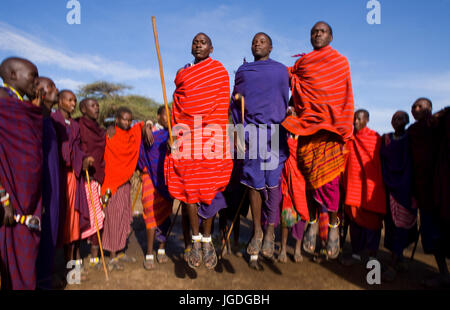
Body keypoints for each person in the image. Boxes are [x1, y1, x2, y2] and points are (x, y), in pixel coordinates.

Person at [281, 22, 354, 259]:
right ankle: (312, 221)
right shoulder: (303, 64)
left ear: (331, 36)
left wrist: (342, 123)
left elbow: (343, 93)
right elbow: (295, 87)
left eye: (322, 31)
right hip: (307, 131)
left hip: (331, 131)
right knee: (308, 180)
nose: (317, 34)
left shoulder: (340, 62)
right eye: (313, 31)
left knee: (331, 182)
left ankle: (333, 227)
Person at [164, 33, 233, 269]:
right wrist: (174, 133)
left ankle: (207, 240)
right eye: (195, 41)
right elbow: (177, 107)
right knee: (188, 189)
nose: (198, 44)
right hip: (187, 138)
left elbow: (223, 104)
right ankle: (195, 240)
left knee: (211, 189)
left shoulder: (219, 72)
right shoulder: (183, 75)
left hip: (212, 137)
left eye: (203, 42)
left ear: (211, 47)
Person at [230, 32, 289, 264]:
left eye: (262, 41)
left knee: (273, 183)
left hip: (274, 131)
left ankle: (270, 230)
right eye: (254, 40)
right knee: (254, 182)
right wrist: (235, 133)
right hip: (251, 131)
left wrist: (292, 114)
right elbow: (234, 104)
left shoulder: (281, 71)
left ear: (271, 47)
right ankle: (256, 230)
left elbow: (293, 96)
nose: (257, 43)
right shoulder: (243, 72)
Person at [0, 57, 42, 290]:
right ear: (13, 75)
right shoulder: (3, 101)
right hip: (9, 197)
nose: (36, 83)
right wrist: (3, 198)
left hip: (29, 198)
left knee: (25, 258)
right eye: (32, 77)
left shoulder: (24, 106)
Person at [101, 106, 152, 271]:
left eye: (130, 119)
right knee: (113, 220)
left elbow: (143, 124)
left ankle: (121, 251)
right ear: (117, 120)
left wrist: (149, 128)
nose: (128, 122)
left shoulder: (132, 133)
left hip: (125, 183)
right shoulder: (110, 134)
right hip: (112, 184)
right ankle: (112, 257)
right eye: (124, 119)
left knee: (123, 217)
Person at [408, 98, 450, 288]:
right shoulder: (412, 132)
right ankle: (443, 274)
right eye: (413, 107)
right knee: (432, 236)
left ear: (430, 109)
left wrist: (441, 114)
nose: (415, 109)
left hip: (444, 189)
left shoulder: (439, 124)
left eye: (420, 106)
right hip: (424, 191)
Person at [52, 90, 92, 279]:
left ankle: (73, 269)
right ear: (59, 101)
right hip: (58, 178)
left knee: (74, 223)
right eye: (69, 100)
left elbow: (78, 148)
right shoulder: (52, 120)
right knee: (60, 223)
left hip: (74, 178)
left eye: (75, 100)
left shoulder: (75, 126)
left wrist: (84, 158)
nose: (73, 103)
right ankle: (58, 271)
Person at [342, 110, 386, 265]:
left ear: (367, 120)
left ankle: (373, 256)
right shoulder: (349, 140)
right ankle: (356, 255)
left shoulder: (375, 139)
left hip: (371, 189)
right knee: (355, 224)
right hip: (354, 188)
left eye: (359, 119)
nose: (355, 122)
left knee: (372, 225)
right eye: (354, 119)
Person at [380, 111, 417, 281]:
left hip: (405, 189)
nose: (397, 120)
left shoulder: (411, 139)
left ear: (407, 121)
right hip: (388, 187)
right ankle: (398, 257)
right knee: (391, 225)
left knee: (402, 226)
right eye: (394, 118)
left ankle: (393, 264)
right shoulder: (385, 139)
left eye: (401, 118)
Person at [138, 106, 173, 270]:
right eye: (166, 115)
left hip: (166, 179)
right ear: (158, 116)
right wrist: (147, 125)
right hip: (149, 178)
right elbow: (141, 153)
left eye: (171, 115)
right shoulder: (149, 131)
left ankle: (161, 249)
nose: (169, 118)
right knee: (150, 214)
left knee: (165, 215)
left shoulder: (172, 134)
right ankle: (150, 253)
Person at [34, 77, 61, 289]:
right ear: (39, 91)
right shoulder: (32, 117)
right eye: (51, 86)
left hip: (54, 179)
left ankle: (46, 275)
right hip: (38, 181)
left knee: (51, 224)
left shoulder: (51, 118)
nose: (56, 89)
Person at [78, 98, 106, 269]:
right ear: (83, 109)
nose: (97, 108)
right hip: (82, 178)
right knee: (84, 215)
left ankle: (95, 252)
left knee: (98, 215)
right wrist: (82, 161)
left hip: (98, 178)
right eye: (92, 105)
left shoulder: (101, 131)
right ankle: (78, 254)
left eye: (97, 105)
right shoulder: (77, 126)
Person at [279, 133, 308, 263]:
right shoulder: (283, 135)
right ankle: (283, 249)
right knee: (287, 217)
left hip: (302, 183)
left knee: (301, 218)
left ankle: (297, 249)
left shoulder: (306, 136)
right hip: (287, 181)